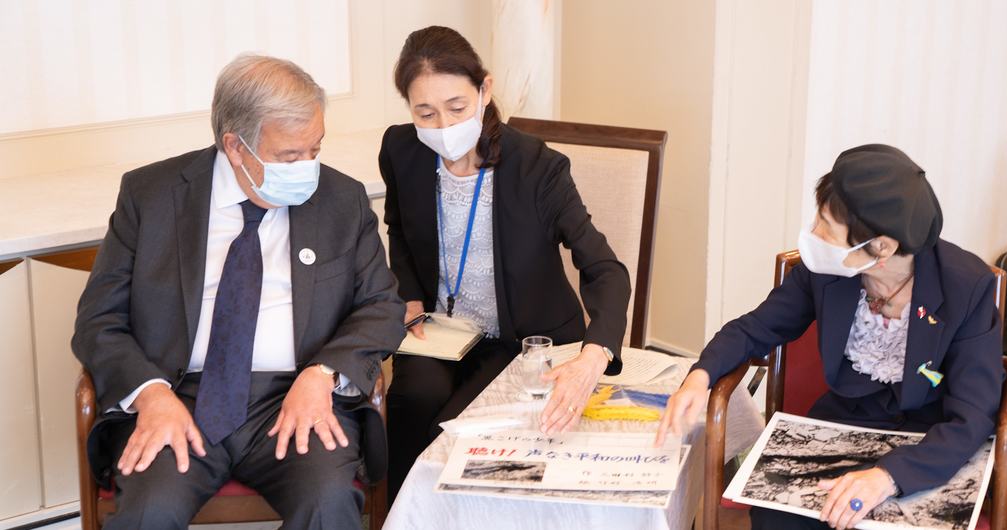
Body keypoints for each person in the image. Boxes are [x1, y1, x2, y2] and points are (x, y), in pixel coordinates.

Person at [72, 54, 405, 530]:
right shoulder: (151, 196)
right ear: (235, 146)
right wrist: (149, 394)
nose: (308, 167)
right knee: (149, 512)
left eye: (316, 149)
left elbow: (381, 306)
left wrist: (323, 375)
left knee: (327, 505)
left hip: (295, 398)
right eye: (290, 156)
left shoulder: (341, 201)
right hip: (179, 397)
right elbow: (98, 320)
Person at [656, 145, 1004, 530]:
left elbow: (972, 417)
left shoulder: (967, 287)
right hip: (839, 428)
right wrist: (700, 377)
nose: (813, 235)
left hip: (927, 441)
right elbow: (755, 328)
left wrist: (888, 477)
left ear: (882, 247)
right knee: (777, 519)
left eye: (826, 227)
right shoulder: (823, 272)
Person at [378, 25, 631, 502]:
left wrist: (595, 354)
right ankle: (399, 514)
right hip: (441, 328)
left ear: (485, 89)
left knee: (450, 433)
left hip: (523, 337)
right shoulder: (401, 149)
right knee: (412, 401)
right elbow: (398, 226)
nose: (444, 127)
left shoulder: (538, 167)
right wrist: (409, 294)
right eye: (425, 113)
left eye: (456, 107)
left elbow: (605, 269)